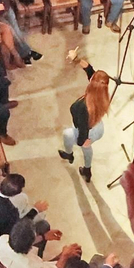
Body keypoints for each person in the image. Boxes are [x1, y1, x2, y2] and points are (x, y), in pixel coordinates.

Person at [58, 51, 111, 182]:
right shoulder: (101, 93)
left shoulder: (83, 107)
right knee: (76, 140)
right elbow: (89, 69)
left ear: (92, 84)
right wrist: (76, 59)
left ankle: (79, 163)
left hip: (88, 131)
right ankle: (77, 161)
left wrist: (83, 141)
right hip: (98, 128)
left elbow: (83, 130)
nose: (90, 76)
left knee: (71, 137)